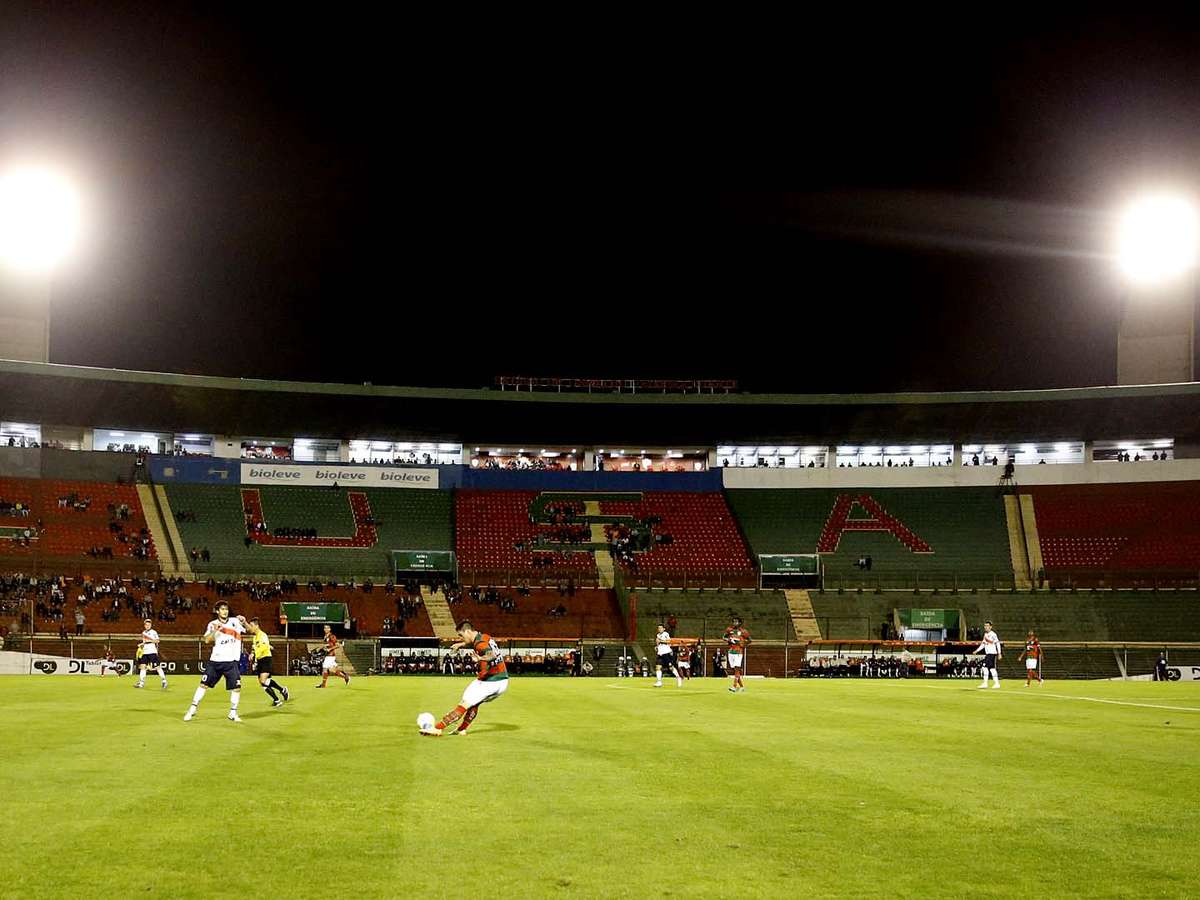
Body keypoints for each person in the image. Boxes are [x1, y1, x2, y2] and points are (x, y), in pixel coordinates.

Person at [420, 620, 508, 736]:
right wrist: (460, 644)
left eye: (461, 635)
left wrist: (480, 659)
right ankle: (461, 729)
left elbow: (491, 655)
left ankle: (437, 728)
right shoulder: (483, 636)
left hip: (492, 681)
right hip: (499, 679)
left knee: (465, 703)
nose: (461, 638)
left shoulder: (480, 643)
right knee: (474, 703)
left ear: (467, 631)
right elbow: (476, 644)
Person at [184, 601, 246, 722]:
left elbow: (249, 629)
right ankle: (192, 709)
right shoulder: (212, 624)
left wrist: (244, 621)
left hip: (231, 661)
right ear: (217, 611)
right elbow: (207, 640)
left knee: (237, 688)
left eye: (226, 609)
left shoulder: (235, 621)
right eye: (222, 609)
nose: (225, 611)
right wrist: (215, 631)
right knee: (203, 685)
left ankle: (233, 713)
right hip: (216, 661)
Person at [246, 618, 289, 707]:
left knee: (263, 681)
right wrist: (253, 654)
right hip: (260, 660)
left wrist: (255, 655)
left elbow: (264, 647)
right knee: (265, 682)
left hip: (266, 659)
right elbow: (254, 647)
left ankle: (277, 700)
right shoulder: (255, 637)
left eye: (252, 626)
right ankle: (282, 690)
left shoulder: (263, 635)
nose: (250, 628)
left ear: (257, 626)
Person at [135, 618, 168, 690]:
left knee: (157, 667)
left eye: (149, 625)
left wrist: (149, 641)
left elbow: (157, 641)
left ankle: (164, 681)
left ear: (151, 625)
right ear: (144, 625)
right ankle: (141, 683)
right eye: (146, 625)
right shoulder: (143, 633)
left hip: (152, 652)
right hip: (145, 652)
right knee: (143, 667)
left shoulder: (153, 632)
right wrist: (141, 644)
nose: (147, 626)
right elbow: (145, 642)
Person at [723, 616, 752, 693]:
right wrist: (729, 640)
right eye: (733, 621)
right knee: (734, 670)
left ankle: (734, 686)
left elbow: (749, 640)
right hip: (731, 651)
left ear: (739, 623)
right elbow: (723, 637)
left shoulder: (743, 631)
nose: (734, 623)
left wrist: (743, 644)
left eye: (736, 621)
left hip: (738, 652)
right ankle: (742, 687)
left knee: (737, 669)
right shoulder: (729, 630)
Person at [975, 620, 1002, 689]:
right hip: (988, 654)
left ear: (990, 627)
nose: (986, 627)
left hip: (991, 653)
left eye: (987, 626)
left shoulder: (993, 634)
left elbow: (997, 643)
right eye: (985, 626)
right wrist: (977, 650)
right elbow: (983, 644)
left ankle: (985, 683)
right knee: (992, 669)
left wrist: (999, 653)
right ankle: (996, 683)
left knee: (985, 667)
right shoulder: (985, 634)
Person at [654, 622, 682, 688]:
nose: (659, 629)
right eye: (658, 628)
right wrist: (657, 647)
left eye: (661, 628)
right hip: (660, 654)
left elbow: (669, 641)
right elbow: (659, 644)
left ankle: (678, 678)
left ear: (664, 629)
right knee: (658, 667)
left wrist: (660, 641)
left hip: (666, 653)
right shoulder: (658, 635)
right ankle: (659, 682)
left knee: (671, 667)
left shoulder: (666, 634)